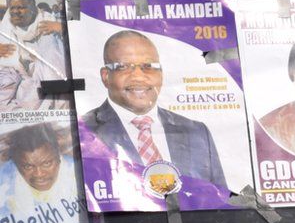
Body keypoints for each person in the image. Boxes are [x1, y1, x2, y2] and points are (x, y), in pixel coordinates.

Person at [81, 30, 227, 189]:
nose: (138, 76)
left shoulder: (197, 132)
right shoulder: (83, 130)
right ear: (106, 76)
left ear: (161, 74)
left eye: (148, 66)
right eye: (123, 67)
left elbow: (219, 201)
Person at [0, 0, 67, 111]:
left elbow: (54, 63)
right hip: (16, 75)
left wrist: (62, 28)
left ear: (33, 9)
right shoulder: (5, 27)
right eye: (12, 8)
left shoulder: (47, 23)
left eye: (21, 7)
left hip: (43, 76)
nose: (15, 11)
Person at [0, 122, 77, 215]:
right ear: (15, 163)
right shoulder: (4, 182)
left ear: (58, 156)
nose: (39, 174)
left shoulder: (79, 172)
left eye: (47, 163)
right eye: (28, 166)